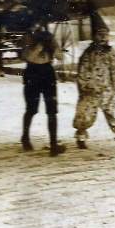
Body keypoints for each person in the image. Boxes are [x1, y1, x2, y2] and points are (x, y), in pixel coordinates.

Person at [73, 13, 115, 153]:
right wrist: (85, 87)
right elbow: (82, 71)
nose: (103, 37)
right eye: (99, 34)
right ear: (94, 36)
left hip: (107, 89)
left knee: (114, 116)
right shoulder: (88, 54)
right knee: (85, 116)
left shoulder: (110, 52)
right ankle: (81, 138)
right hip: (91, 90)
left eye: (105, 34)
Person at [19, 21, 66, 156]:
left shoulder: (49, 37)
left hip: (47, 73)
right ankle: (25, 137)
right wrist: (38, 47)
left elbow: (60, 56)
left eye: (40, 23)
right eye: (35, 24)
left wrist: (54, 47)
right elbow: (27, 57)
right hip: (32, 73)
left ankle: (53, 145)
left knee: (52, 110)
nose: (37, 26)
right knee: (31, 109)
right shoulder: (27, 37)